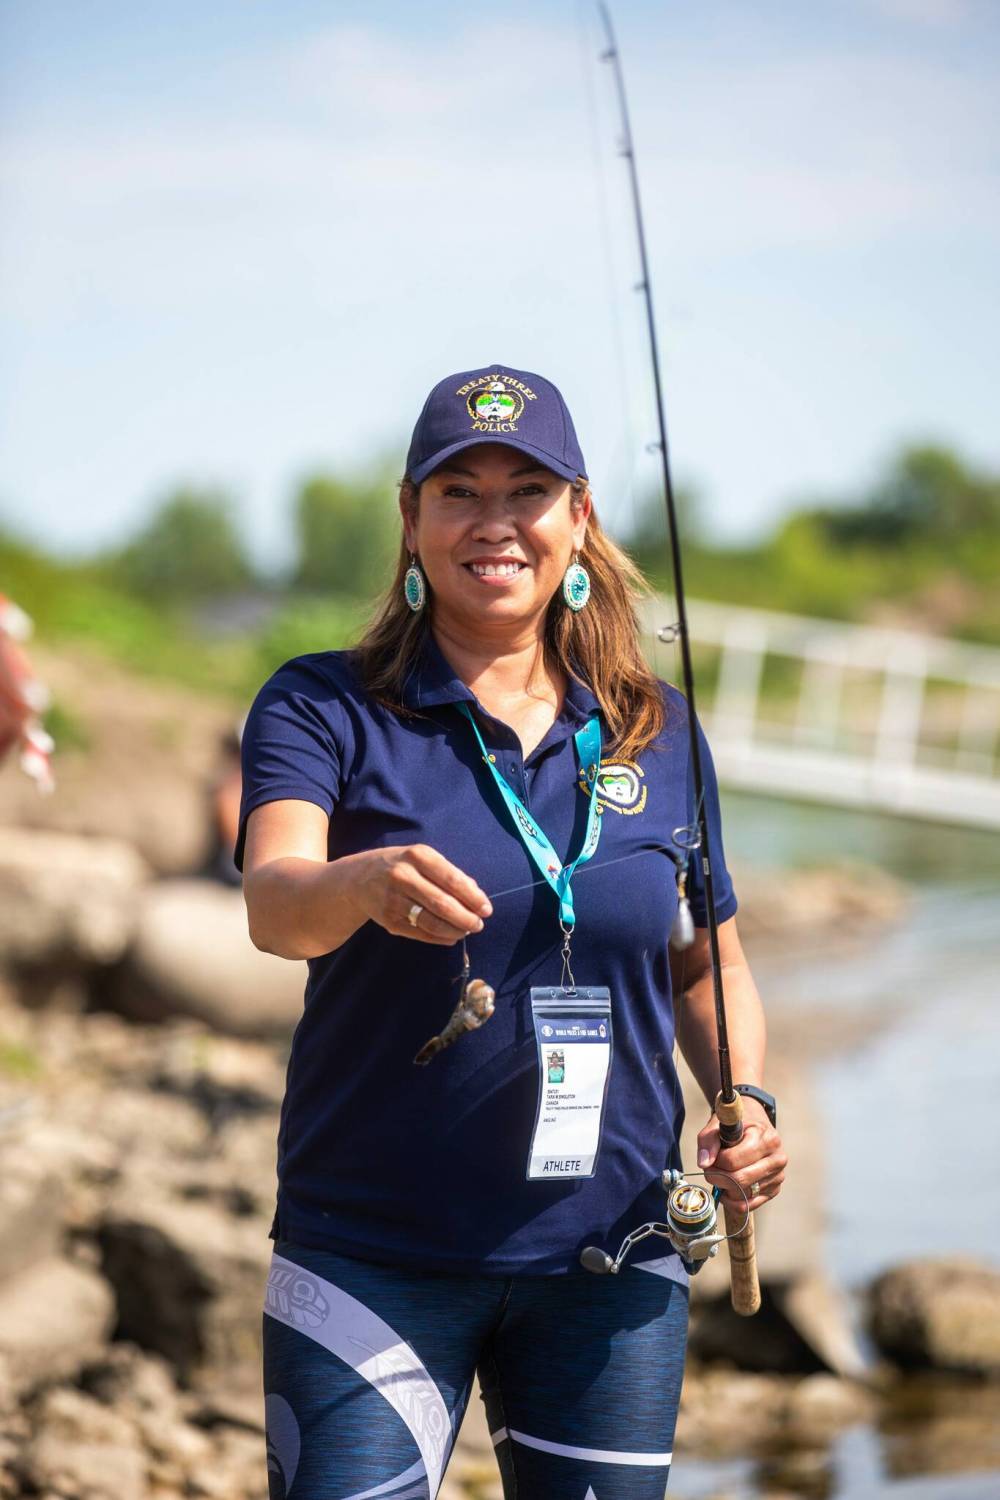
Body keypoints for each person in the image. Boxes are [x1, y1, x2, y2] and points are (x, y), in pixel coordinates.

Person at [238, 364, 787, 1500]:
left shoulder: (660, 730)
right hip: (370, 1251)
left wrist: (746, 1101)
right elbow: (275, 904)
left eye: (527, 491)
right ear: (411, 519)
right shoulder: (320, 703)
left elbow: (707, 964)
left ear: (577, 518)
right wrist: (360, 884)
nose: (495, 523)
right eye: (459, 492)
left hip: (615, 1254)